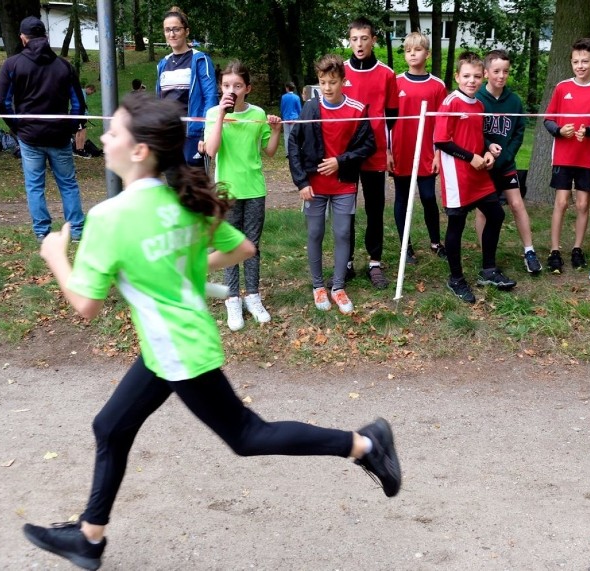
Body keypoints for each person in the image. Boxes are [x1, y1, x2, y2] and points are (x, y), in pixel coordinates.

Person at [21, 93, 400, 571]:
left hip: (177, 352)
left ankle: (365, 444)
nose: (103, 137)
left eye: (113, 131)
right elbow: (244, 247)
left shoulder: (109, 219)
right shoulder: (181, 199)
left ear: (140, 151)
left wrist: (55, 254)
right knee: (110, 427)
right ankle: (89, 538)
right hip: (173, 344)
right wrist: (189, 270)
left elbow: (85, 304)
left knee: (246, 435)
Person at [287, 54, 376, 314]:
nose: (327, 87)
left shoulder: (358, 110)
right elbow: (294, 144)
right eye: (323, 82)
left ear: (343, 81)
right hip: (313, 187)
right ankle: (318, 286)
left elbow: (368, 145)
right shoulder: (310, 108)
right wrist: (301, 182)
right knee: (315, 233)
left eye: (333, 82)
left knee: (342, 234)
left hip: (344, 185)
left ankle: (338, 287)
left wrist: (341, 161)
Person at [204, 60, 281, 331]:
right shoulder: (213, 114)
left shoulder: (257, 113)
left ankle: (253, 296)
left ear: (247, 88)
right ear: (220, 88)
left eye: (237, 85)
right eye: (227, 85)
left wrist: (276, 131)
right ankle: (232, 299)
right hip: (227, 193)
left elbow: (269, 151)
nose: (232, 90)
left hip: (254, 190)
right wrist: (222, 117)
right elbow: (211, 151)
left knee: (252, 246)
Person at [434, 52, 516, 304]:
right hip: (457, 176)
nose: (472, 81)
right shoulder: (450, 102)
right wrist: (471, 157)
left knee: (496, 215)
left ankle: (488, 270)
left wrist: (487, 150)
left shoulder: (479, 105)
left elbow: (476, 136)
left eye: (477, 76)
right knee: (456, 225)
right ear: (457, 76)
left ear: (483, 77)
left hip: (478, 173)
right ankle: (456, 279)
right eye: (466, 76)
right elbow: (441, 141)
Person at [0, 16, 86, 243]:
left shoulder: (12, 65)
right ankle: (76, 231)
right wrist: (70, 127)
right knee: (67, 183)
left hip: (31, 136)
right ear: (45, 37)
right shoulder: (64, 66)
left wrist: (17, 127)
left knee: (35, 186)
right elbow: (78, 104)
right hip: (57, 136)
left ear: (23, 38)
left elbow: (2, 102)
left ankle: (42, 233)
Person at [543, 38, 590, 273]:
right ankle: (554, 250)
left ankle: (577, 248)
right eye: (576, 61)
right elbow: (548, 119)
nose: (580, 65)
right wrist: (559, 131)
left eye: (585, 61)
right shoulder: (562, 87)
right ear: (571, 62)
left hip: (587, 156)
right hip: (563, 155)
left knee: (583, 204)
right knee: (561, 202)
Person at [343, 17, 399, 289]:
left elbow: (392, 117)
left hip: (375, 152)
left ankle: (374, 261)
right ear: (349, 41)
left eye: (364, 38)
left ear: (373, 40)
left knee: (375, 208)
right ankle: (347, 261)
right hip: (346, 154)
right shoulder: (339, 72)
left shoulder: (387, 74)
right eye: (354, 39)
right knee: (346, 209)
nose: (359, 44)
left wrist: (388, 148)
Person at [476, 49, 543, 275]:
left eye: (505, 71)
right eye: (496, 71)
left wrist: (505, 157)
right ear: (486, 73)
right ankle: (487, 254)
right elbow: (472, 131)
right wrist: (486, 147)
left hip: (505, 165)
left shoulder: (514, 101)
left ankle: (529, 252)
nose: (501, 76)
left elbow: (518, 133)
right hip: (484, 165)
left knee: (516, 204)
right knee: (484, 210)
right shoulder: (476, 98)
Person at [388, 31, 447, 265]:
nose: (412, 54)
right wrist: (388, 151)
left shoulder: (437, 86)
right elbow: (386, 121)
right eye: (408, 50)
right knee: (401, 198)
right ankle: (406, 247)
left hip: (427, 153)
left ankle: (435, 242)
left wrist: (439, 153)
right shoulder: (395, 83)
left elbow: (443, 123)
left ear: (428, 54)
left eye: (418, 49)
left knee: (429, 197)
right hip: (401, 152)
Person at [156, 6, 218, 168]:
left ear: (186, 31)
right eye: (167, 30)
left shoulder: (200, 60)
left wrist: (206, 132)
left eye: (176, 29)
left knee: (195, 189)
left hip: (193, 136)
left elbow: (210, 97)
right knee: (174, 188)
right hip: (169, 135)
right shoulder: (163, 63)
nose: (172, 34)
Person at [280, 82, 302, 157]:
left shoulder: (283, 97)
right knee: (295, 136)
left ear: (287, 88)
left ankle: (287, 152)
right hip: (294, 118)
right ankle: (295, 151)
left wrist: (283, 116)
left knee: (286, 136)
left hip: (286, 119)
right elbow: (299, 109)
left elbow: (282, 108)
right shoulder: (297, 97)